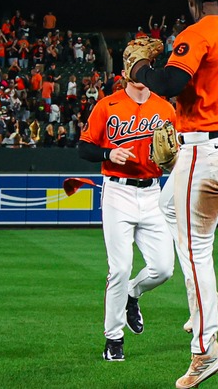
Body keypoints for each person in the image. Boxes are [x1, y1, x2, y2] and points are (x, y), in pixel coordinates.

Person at [129, 0, 218, 389]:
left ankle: (206, 349)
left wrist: (140, 69)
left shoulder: (196, 33)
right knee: (168, 208)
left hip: (204, 146)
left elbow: (169, 82)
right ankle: (210, 295)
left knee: (196, 249)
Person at [78, 57, 180, 363]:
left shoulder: (166, 109)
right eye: (134, 65)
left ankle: (133, 295)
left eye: (144, 65)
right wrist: (108, 152)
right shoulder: (107, 106)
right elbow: (84, 147)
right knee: (119, 268)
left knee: (163, 268)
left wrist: (174, 160)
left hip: (152, 193)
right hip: (117, 191)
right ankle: (114, 339)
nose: (139, 72)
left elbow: (175, 155)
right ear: (124, 72)